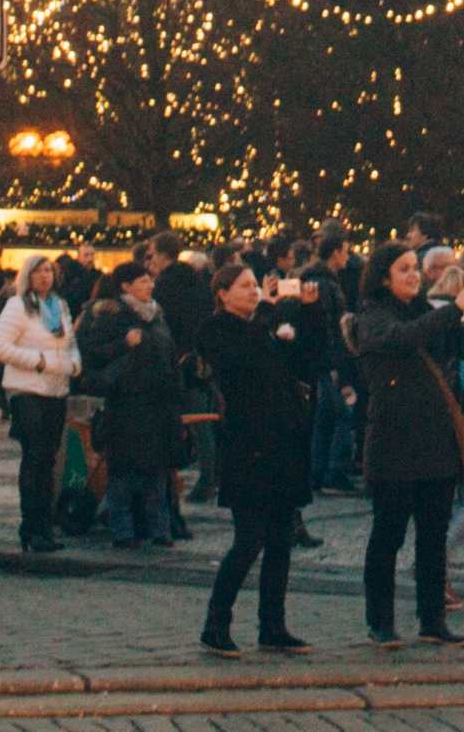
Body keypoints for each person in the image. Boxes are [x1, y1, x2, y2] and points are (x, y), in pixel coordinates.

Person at [190, 257, 319, 656]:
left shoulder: (260, 330)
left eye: (254, 285)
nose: (253, 291)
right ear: (223, 294)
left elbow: (306, 363)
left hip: (282, 444)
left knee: (281, 539)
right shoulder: (217, 330)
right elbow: (240, 366)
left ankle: (273, 625)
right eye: (244, 286)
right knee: (249, 539)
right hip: (248, 446)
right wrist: (271, 314)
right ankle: (216, 623)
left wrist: (310, 316)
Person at [343, 241, 464, 647]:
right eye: (404, 269)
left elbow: (463, 346)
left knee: (433, 536)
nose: (414, 274)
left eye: (415, 267)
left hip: (435, 439)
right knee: (389, 534)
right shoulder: (373, 316)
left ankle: (432, 620)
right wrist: (453, 309)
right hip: (394, 441)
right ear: (383, 277)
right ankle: (381, 620)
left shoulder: (423, 310)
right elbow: (401, 339)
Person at [82, 260, 190, 546]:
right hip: (126, 405)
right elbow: (93, 355)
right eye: (143, 281)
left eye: (150, 280)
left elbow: (169, 357)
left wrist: (176, 394)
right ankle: (123, 531)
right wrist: (123, 345)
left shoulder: (157, 316)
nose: (150, 285)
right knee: (123, 473)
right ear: (126, 286)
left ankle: (160, 529)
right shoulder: (114, 316)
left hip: (159, 406)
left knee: (157, 470)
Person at [0, 254, 80, 556]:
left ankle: (45, 526)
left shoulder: (59, 306)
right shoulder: (18, 306)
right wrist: (37, 361)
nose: (45, 276)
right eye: (39, 271)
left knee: (49, 460)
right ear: (28, 275)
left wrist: (74, 364)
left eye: (49, 271)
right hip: (28, 389)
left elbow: (68, 342)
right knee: (34, 458)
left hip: (56, 388)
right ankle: (31, 526)